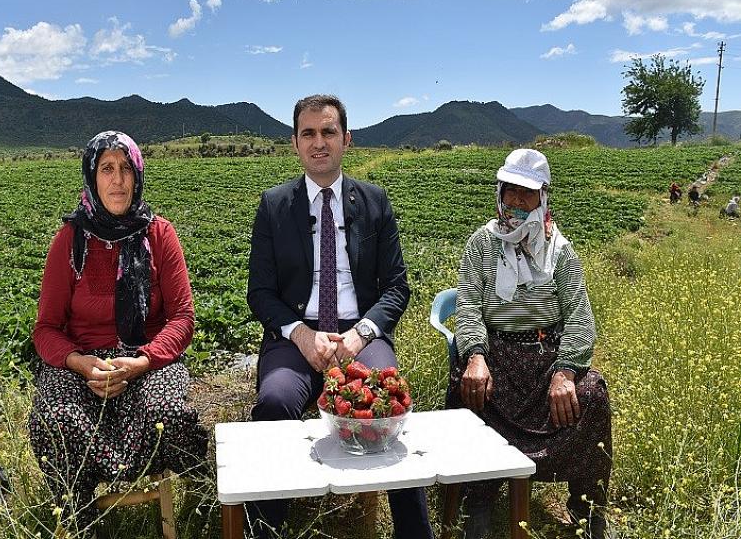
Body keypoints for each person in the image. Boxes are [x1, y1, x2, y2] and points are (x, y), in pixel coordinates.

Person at [246, 95, 433, 539]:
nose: (319, 143)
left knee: (387, 405)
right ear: (295, 143)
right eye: (308, 133)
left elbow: (396, 287)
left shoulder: (374, 202)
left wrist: (362, 334)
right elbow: (260, 293)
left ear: (346, 140)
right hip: (295, 339)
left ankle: (413, 532)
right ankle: (267, 529)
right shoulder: (274, 206)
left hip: (360, 336)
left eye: (328, 132)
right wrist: (300, 335)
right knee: (274, 401)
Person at [28, 131, 207, 535]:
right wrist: (80, 363)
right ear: (92, 177)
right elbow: (46, 330)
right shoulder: (68, 241)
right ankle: (81, 521)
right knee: (54, 421)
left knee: (169, 415)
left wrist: (142, 361)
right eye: (107, 168)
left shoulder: (159, 235)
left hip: (145, 355)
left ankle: (197, 484)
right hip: (81, 363)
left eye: (126, 168)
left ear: (138, 174)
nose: (118, 180)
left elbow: (182, 318)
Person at [448, 148, 611, 539]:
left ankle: (586, 508)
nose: (518, 200)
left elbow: (579, 316)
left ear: (544, 197)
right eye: (511, 191)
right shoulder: (481, 245)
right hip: (497, 356)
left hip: (546, 358)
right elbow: (469, 305)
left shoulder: (560, 251)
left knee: (592, 397)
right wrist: (475, 355)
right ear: (499, 192)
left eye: (528, 193)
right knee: (464, 392)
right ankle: (480, 494)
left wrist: (566, 371)